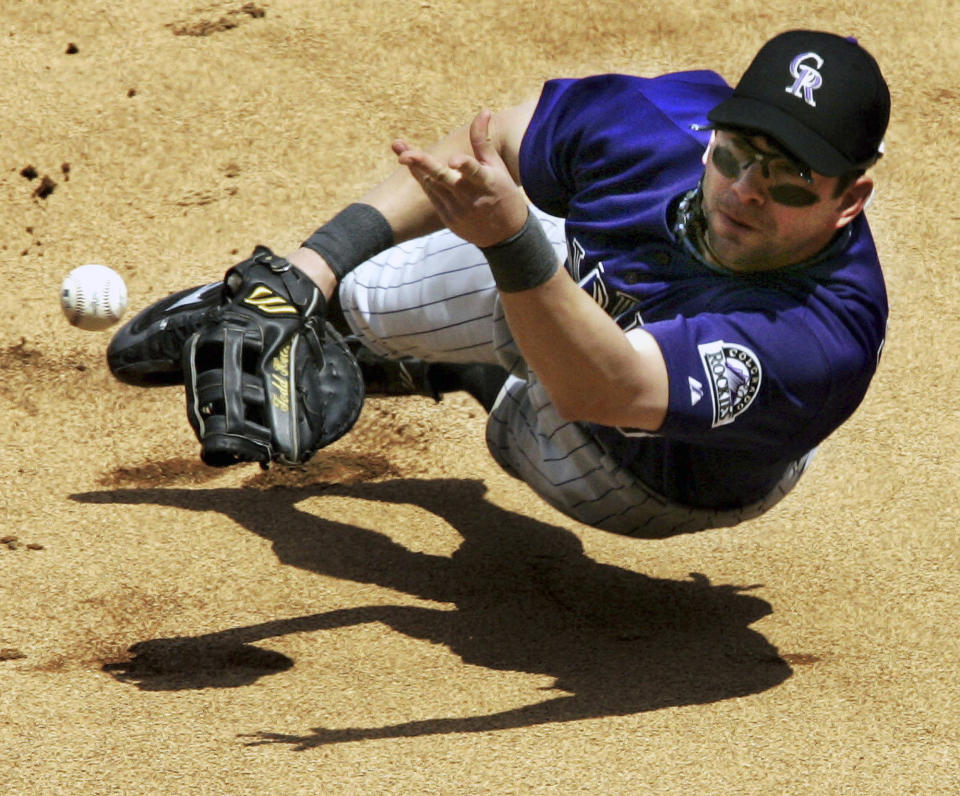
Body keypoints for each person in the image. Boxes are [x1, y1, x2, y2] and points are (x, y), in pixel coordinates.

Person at [108, 30, 890, 538]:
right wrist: (311, 270)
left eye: (791, 179)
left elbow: (603, 390)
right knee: (445, 255)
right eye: (736, 152)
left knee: (526, 327)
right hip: (596, 340)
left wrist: (511, 246)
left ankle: (462, 367)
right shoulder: (652, 121)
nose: (747, 189)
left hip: (640, 472)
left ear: (849, 199)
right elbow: (489, 147)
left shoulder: (818, 334)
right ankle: (338, 318)